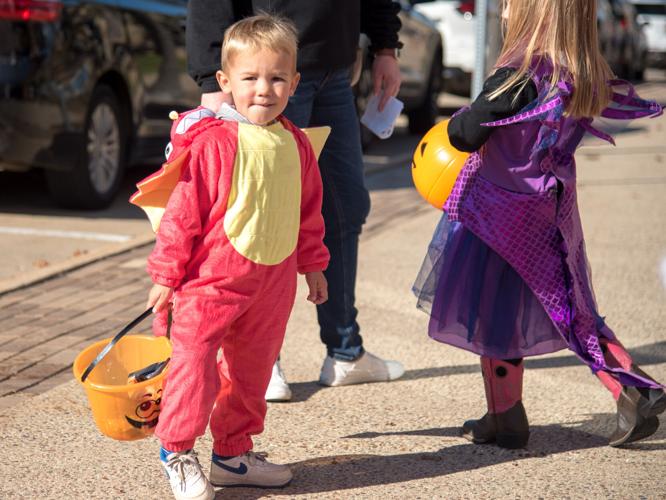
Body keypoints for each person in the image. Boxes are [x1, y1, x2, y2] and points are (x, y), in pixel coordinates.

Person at [413, 0, 665, 450]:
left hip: (500, 215)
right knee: (566, 303)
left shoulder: (517, 75)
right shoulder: (576, 73)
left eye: (510, 3)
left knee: (495, 312)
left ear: (533, 13)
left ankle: (631, 388)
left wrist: (458, 120)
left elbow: (465, 134)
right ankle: (507, 415)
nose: (503, 10)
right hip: (548, 208)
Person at [142, 15, 329, 500]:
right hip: (210, 283)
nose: (263, 90)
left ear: (294, 83)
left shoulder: (297, 143)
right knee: (194, 367)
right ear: (225, 82)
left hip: (272, 284)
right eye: (250, 78)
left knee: (252, 372)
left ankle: (232, 455)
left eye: (276, 78)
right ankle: (177, 451)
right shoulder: (214, 143)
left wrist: (314, 263)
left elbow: (308, 210)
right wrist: (166, 275)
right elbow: (182, 215)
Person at [186, 0, 406, 402]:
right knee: (264, 214)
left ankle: (345, 353)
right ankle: (259, 360)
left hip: (334, 69)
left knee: (346, 206)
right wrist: (210, 81)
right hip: (266, 67)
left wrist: (385, 48)